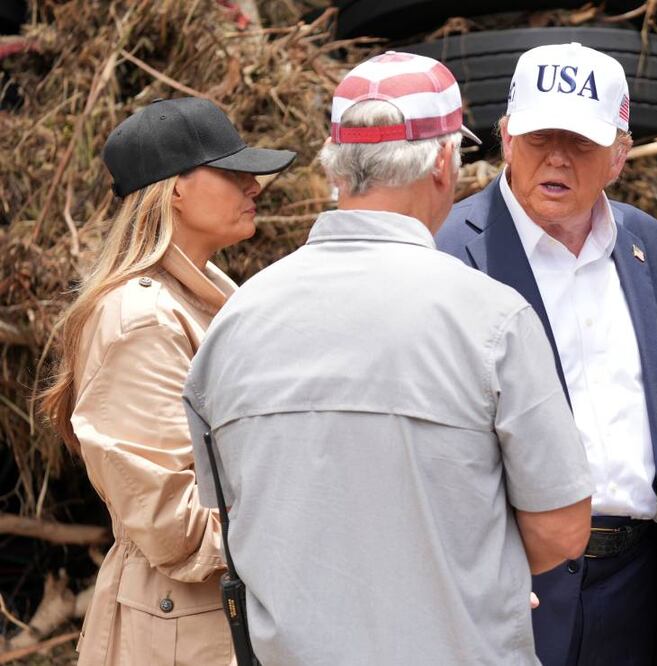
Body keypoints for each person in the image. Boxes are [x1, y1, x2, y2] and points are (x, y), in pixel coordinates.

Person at [182, 52, 594, 666]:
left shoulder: (236, 321)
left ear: (335, 168)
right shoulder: (492, 320)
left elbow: (235, 517)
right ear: (443, 161)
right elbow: (561, 529)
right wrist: (466, 567)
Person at [437, 42, 657, 666]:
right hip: (512, 585)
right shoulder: (450, 253)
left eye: (582, 142)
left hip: (640, 586)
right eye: (541, 137)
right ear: (507, 137)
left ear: (619, 156)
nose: (558, 158)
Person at [38, 97, 296, 665]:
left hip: (213, 617)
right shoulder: (141, 319)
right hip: (186, 633)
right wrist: (303, 531)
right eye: (233, 173)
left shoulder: (202, 298)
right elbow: (169, 521)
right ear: (174, 188)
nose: (255, 186)